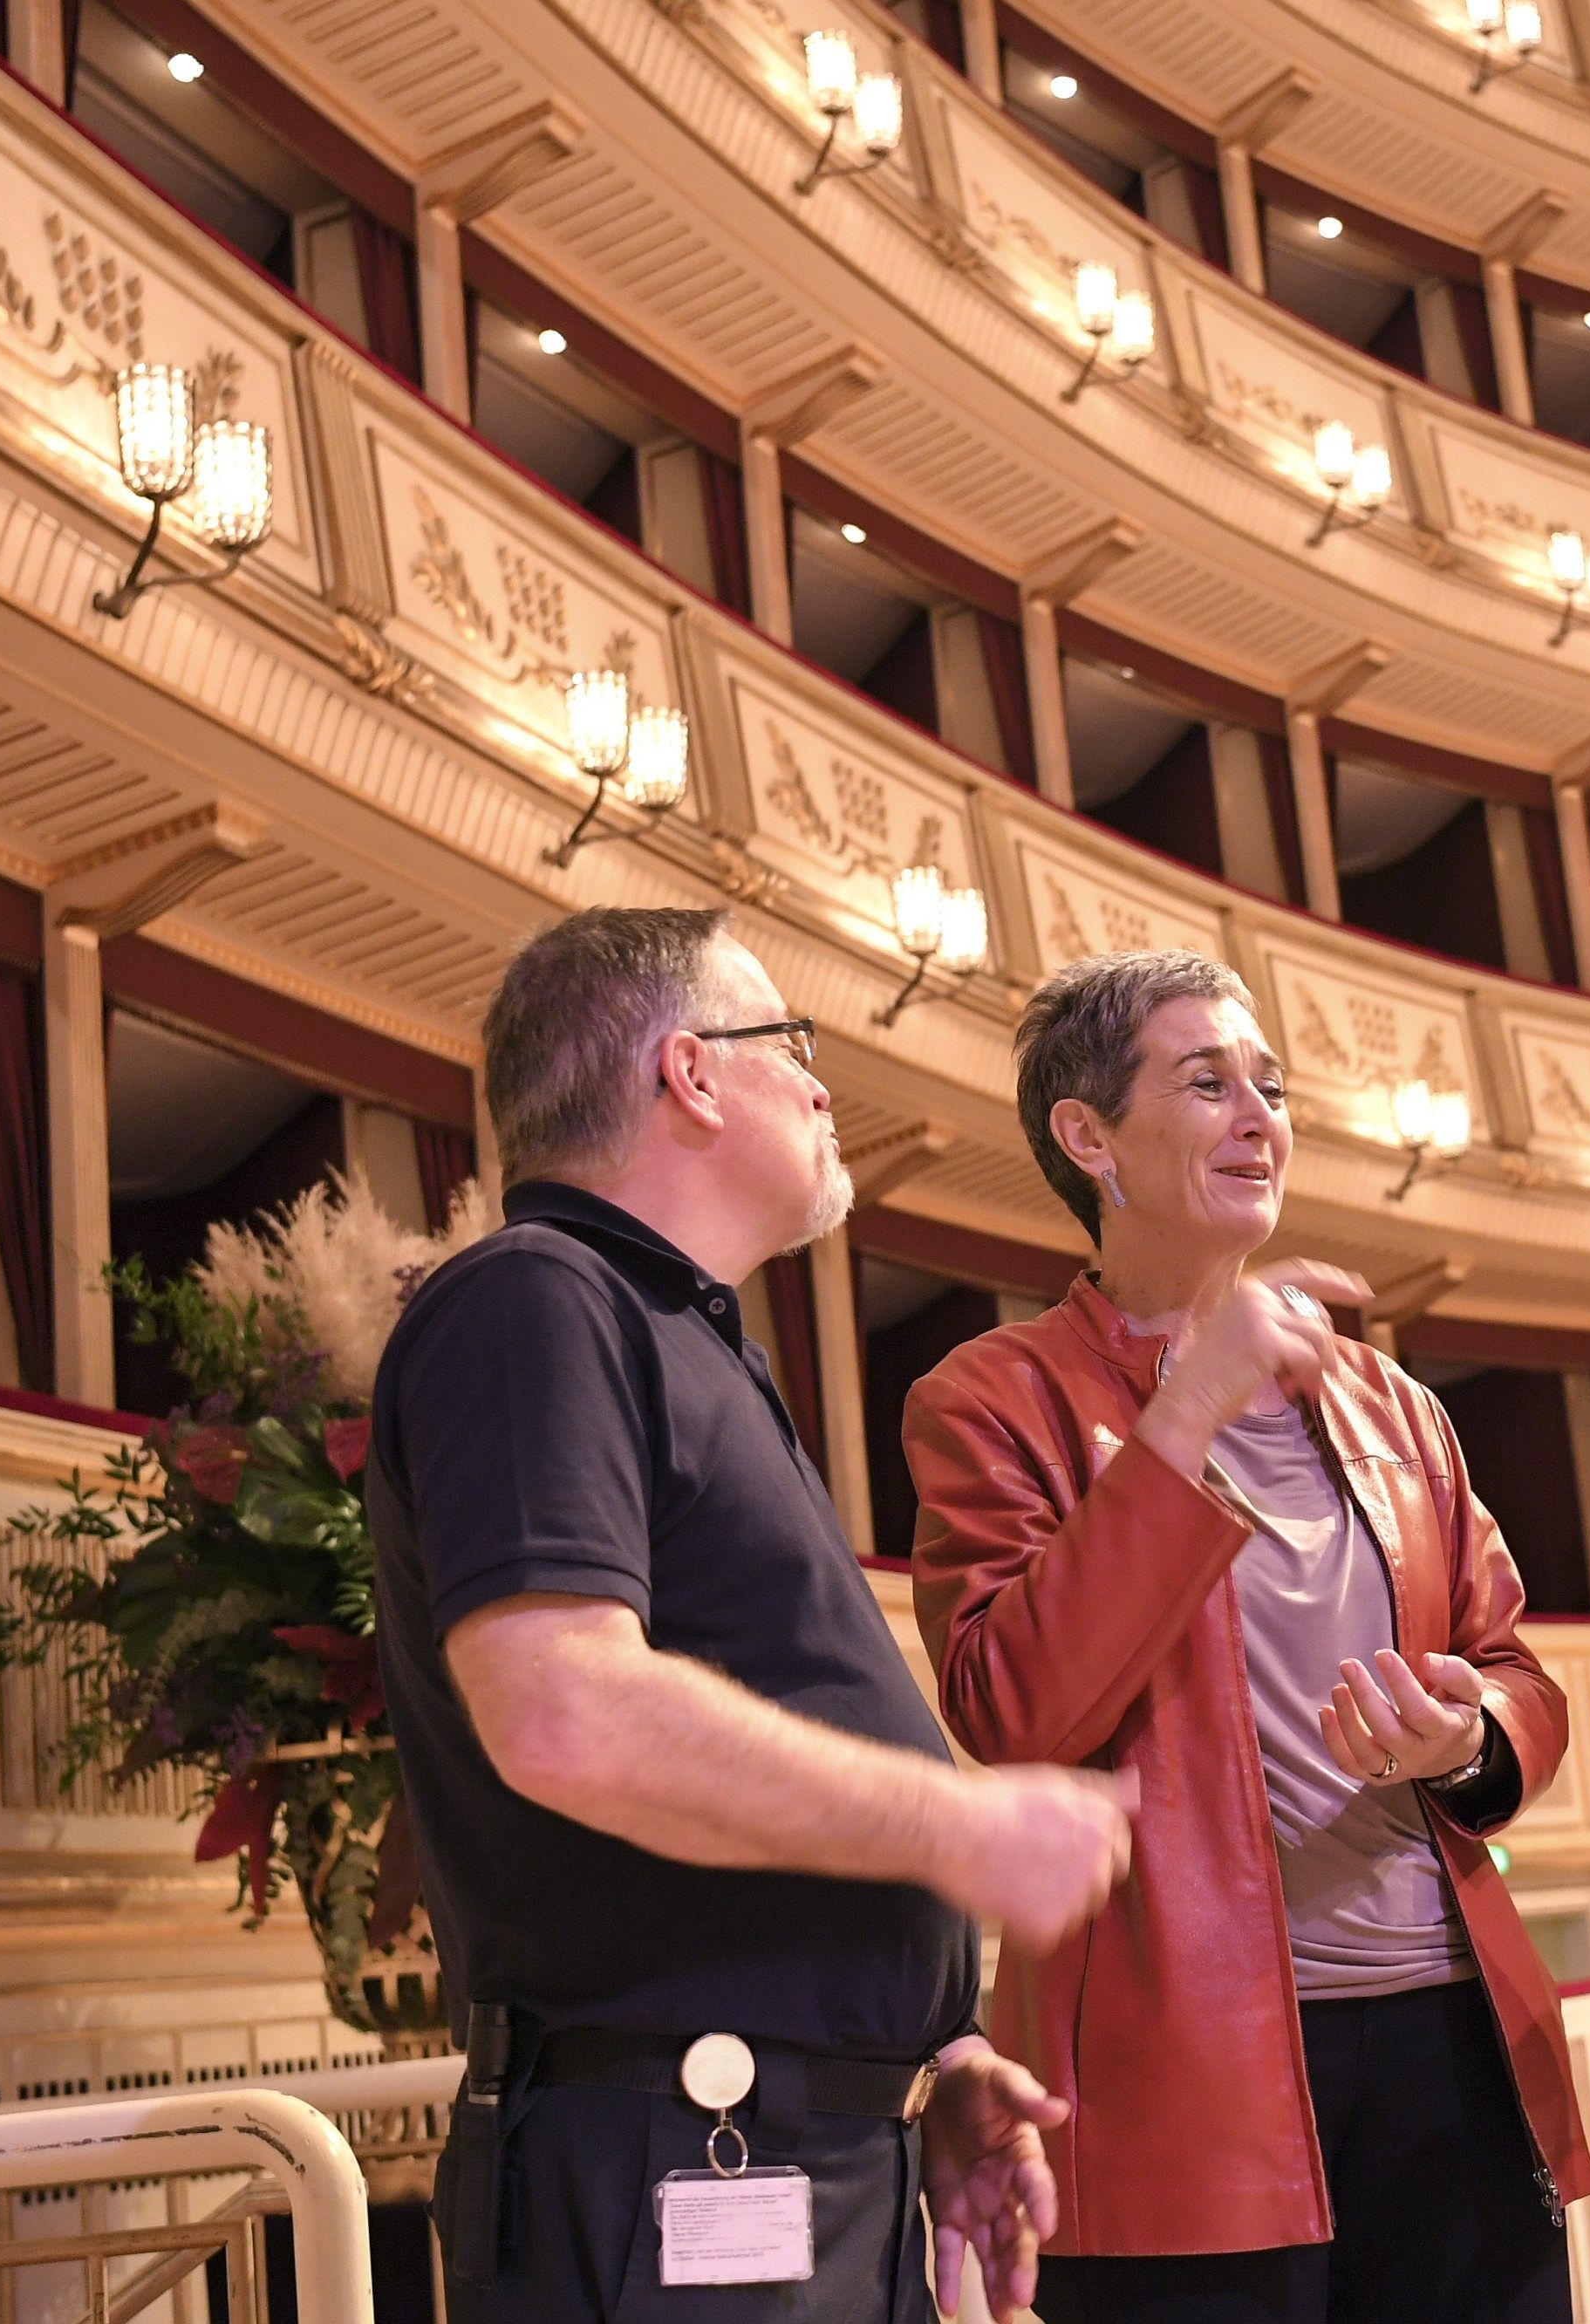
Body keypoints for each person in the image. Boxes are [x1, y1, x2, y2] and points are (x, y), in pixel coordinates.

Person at [369, 904, 1140, 2324]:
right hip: (676, 2153)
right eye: (792, 1042)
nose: (825, 1082)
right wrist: (963, 1831)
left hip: (778, 2141)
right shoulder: (539, 1297)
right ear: (692, 1074)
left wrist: (926, 2061)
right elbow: (564, 1712)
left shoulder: (686, 1336)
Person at [900, 948, 1590, 2324]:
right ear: (1086, 1134)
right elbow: (1013, 1709)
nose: (1260, 1118)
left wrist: (1467, 1737)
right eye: (1208, 1082)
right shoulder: (993, 1398)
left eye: (1270, 1087)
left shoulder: (1396, 1405)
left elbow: (1518, 1674)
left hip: (1450, 2045)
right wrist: (1187, 1412)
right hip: (1177, 2080)